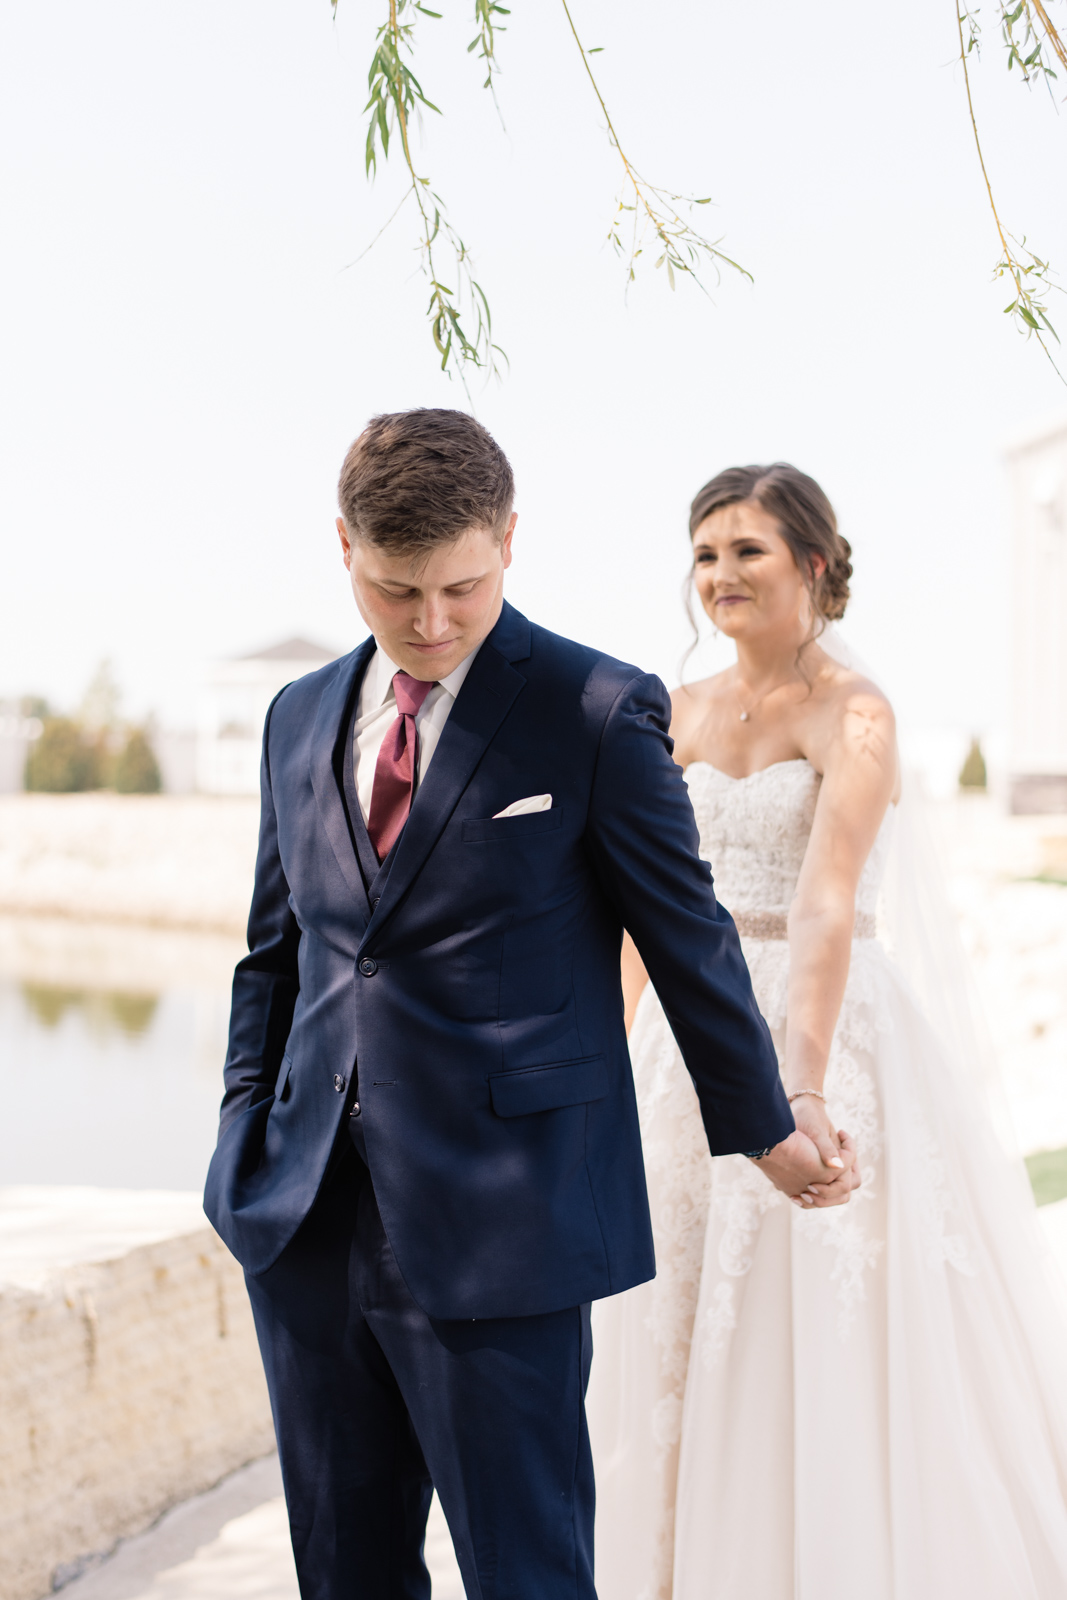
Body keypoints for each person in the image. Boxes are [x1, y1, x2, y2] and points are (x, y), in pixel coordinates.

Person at [202, 413, 857, 1600]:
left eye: (463, 584)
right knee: (342, 1572)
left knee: (529, 1573)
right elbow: (274, 952)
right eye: (396, 589)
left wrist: (763, 1122)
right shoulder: (297, 712)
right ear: (341, 546)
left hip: (505, 1219)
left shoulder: (596, 707)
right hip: (301, 1215)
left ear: (510, 539)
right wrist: (241, 1127)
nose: (432, 622)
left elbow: (688, 936)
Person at [587, 462, 1067, 1600]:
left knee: (808, 1307)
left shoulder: (855, 713)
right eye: (704, 554)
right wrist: (601, 1061)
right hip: (680, 1031)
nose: (719, 576)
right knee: (676, 1304)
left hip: (821, 1021)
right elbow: (633, 908)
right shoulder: (674, 707)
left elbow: (824, 903)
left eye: (745, 551)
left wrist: (794, 1089)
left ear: (811, 560)